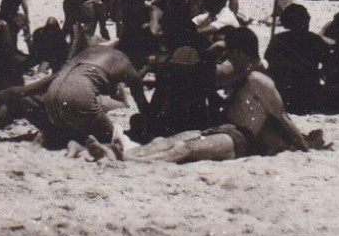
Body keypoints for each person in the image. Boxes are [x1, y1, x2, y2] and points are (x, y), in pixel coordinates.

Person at [114, 28, 310, 163]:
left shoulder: (260, 80)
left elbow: (283, 117)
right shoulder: (243, 75)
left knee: (184, 149)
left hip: (240, 138)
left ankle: (132, 161)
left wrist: (305, 148)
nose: (229, 60)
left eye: (231, 54)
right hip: (221, 128)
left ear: (241, 53)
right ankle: (121, 155)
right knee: (165, 142)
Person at [39, 41, 152, 148]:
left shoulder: (93, 52)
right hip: (79, 95)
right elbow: (141, 102)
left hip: (50, 98)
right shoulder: (126, 63)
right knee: (113, 138)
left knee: (78, 133)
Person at [264, 4, 330, 114]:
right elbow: (328, 65)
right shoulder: (315, 40)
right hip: (309, 96)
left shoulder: (279, 39)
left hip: (282, 96)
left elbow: (269, 59)